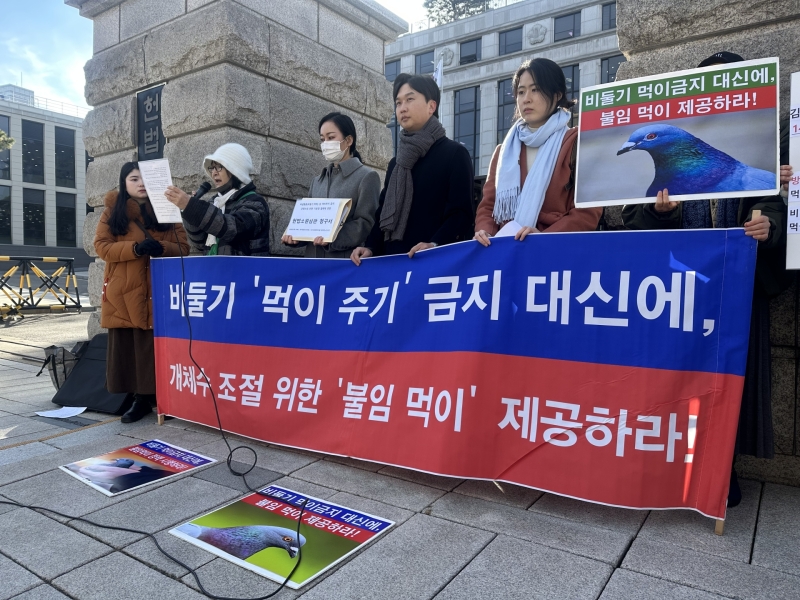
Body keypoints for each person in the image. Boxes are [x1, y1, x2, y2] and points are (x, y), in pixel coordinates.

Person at [622, 51, 795, 506]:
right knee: (678, 378)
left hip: (736, 287)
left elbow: (773, 203)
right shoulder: (670, 148)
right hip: (680, 291)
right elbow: (632, 217)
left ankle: (722, 468)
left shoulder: (767, 142)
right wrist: (661, 213)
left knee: (730, 378)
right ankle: (675, 460)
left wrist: (769, 224)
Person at [94, 162, 190, 423]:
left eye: (145, 178)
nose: (141, 184)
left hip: (159, 289)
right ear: (124, 182)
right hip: (124, 292)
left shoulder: (166, 209)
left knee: (156, 344)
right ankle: (140, 399)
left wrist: (162, 247)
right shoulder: (112, 212)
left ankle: (164, 397)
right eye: (134, 179)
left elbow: (183, 247)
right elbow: (102, 247)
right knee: (132, 345)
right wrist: (135, 249)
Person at [474, 58, 602, 247]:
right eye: (521, 92)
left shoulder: (578, 143)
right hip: (507, 250)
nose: (526, 98)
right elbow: (488, 207)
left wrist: (544, 238)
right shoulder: (504, 152)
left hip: (557, 251)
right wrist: (485, 231)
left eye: (535, 90)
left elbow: (587, 212)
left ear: (557, 95)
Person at [351, 74, 474, 264]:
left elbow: (461, 214)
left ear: (431, 106)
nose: (402, 108)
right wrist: (370, 247)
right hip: (393, 265)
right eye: (398, 103)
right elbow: (383, 213)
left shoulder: (454, 154)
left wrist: (435, 244)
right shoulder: (397, 163)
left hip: (433, 264)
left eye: (409, 99)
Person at [281, 112, 381, 258]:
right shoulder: (317, 181)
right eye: (322, 139)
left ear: (349, 140)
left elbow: (366, 223)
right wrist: (295, 236)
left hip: (343, 261)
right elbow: (309, 222)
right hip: (313, 261)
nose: (326, 144)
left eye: (331, 137)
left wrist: (331, 238)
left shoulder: (367, 176)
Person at [164, 143, 270, 256]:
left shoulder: (255, 202)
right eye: (212, 168)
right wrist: (188, 211)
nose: (214, 173)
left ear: (235, 170)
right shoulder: (215, 201)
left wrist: (192, 207)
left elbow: (232, 229)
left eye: (219, 167)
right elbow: (199, 242)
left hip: (246, 267)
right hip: (214, 267)